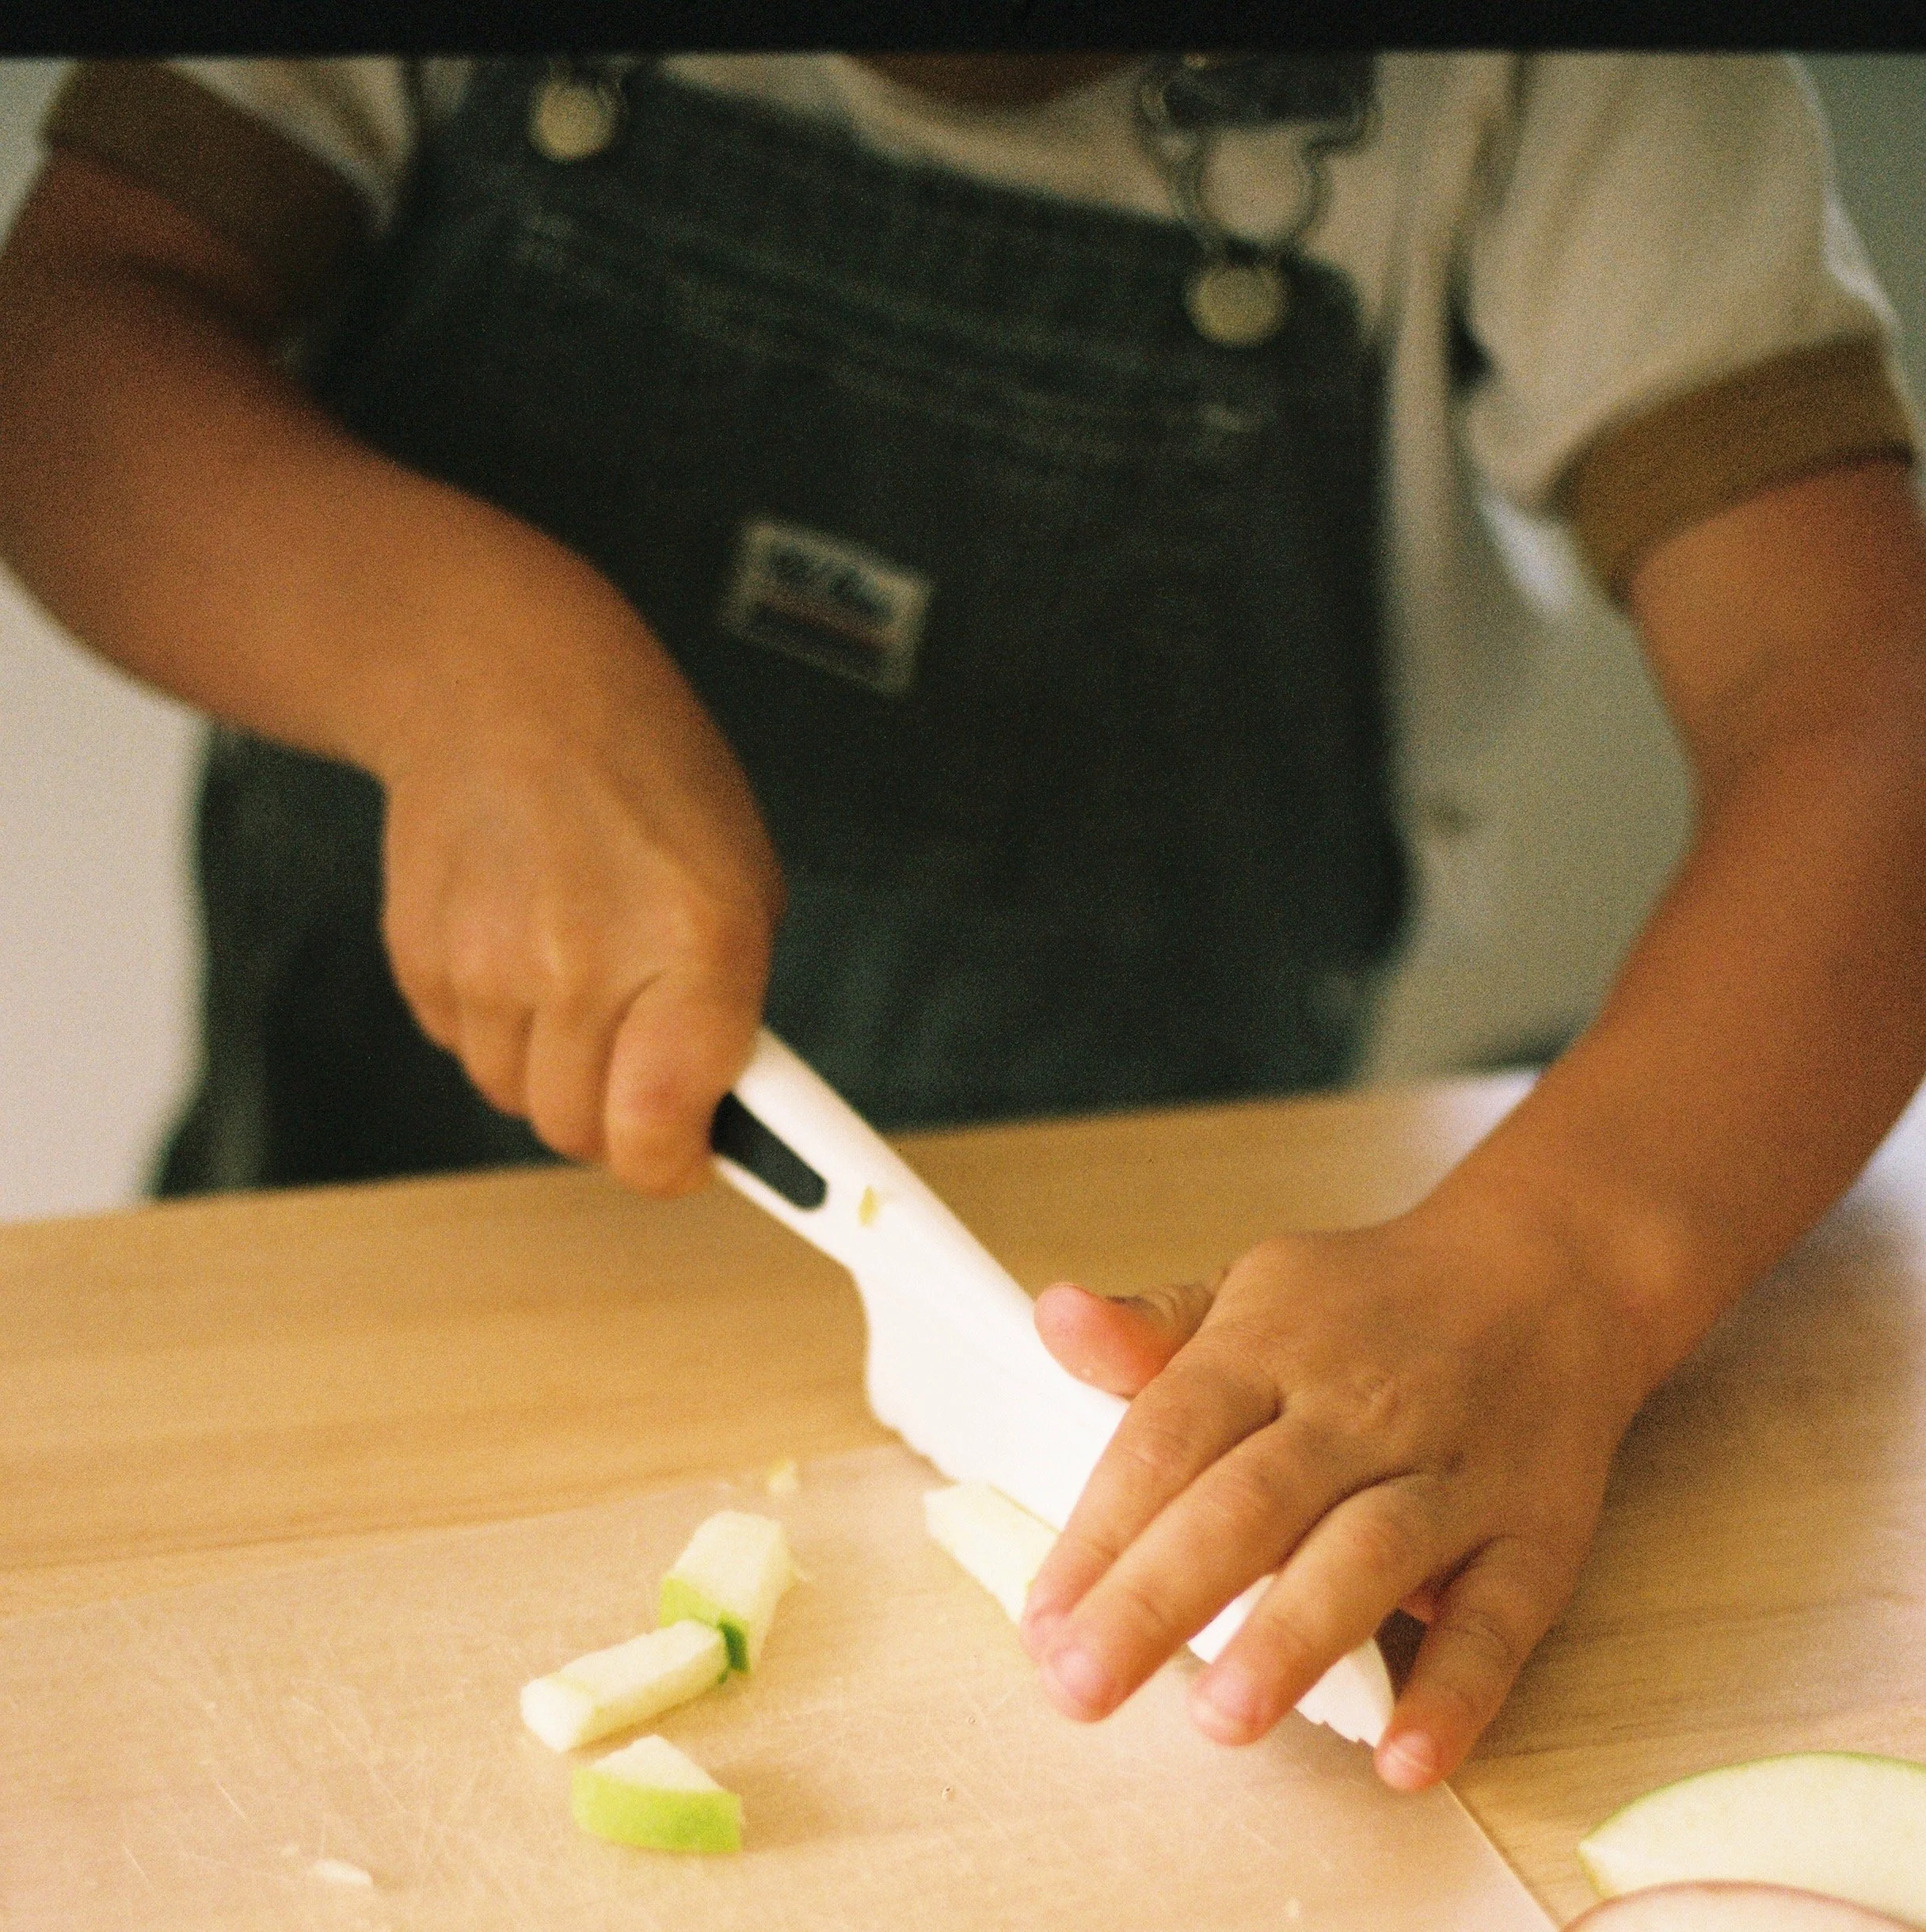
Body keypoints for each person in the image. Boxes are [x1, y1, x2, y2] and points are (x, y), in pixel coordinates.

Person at [2, 51, 1923, 1798]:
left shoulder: (1590, 90)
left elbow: (1868, 695)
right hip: (317, 1285)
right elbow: (65, 345)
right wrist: (440, 653)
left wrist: (1568, 1256)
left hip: (1144, 1320)